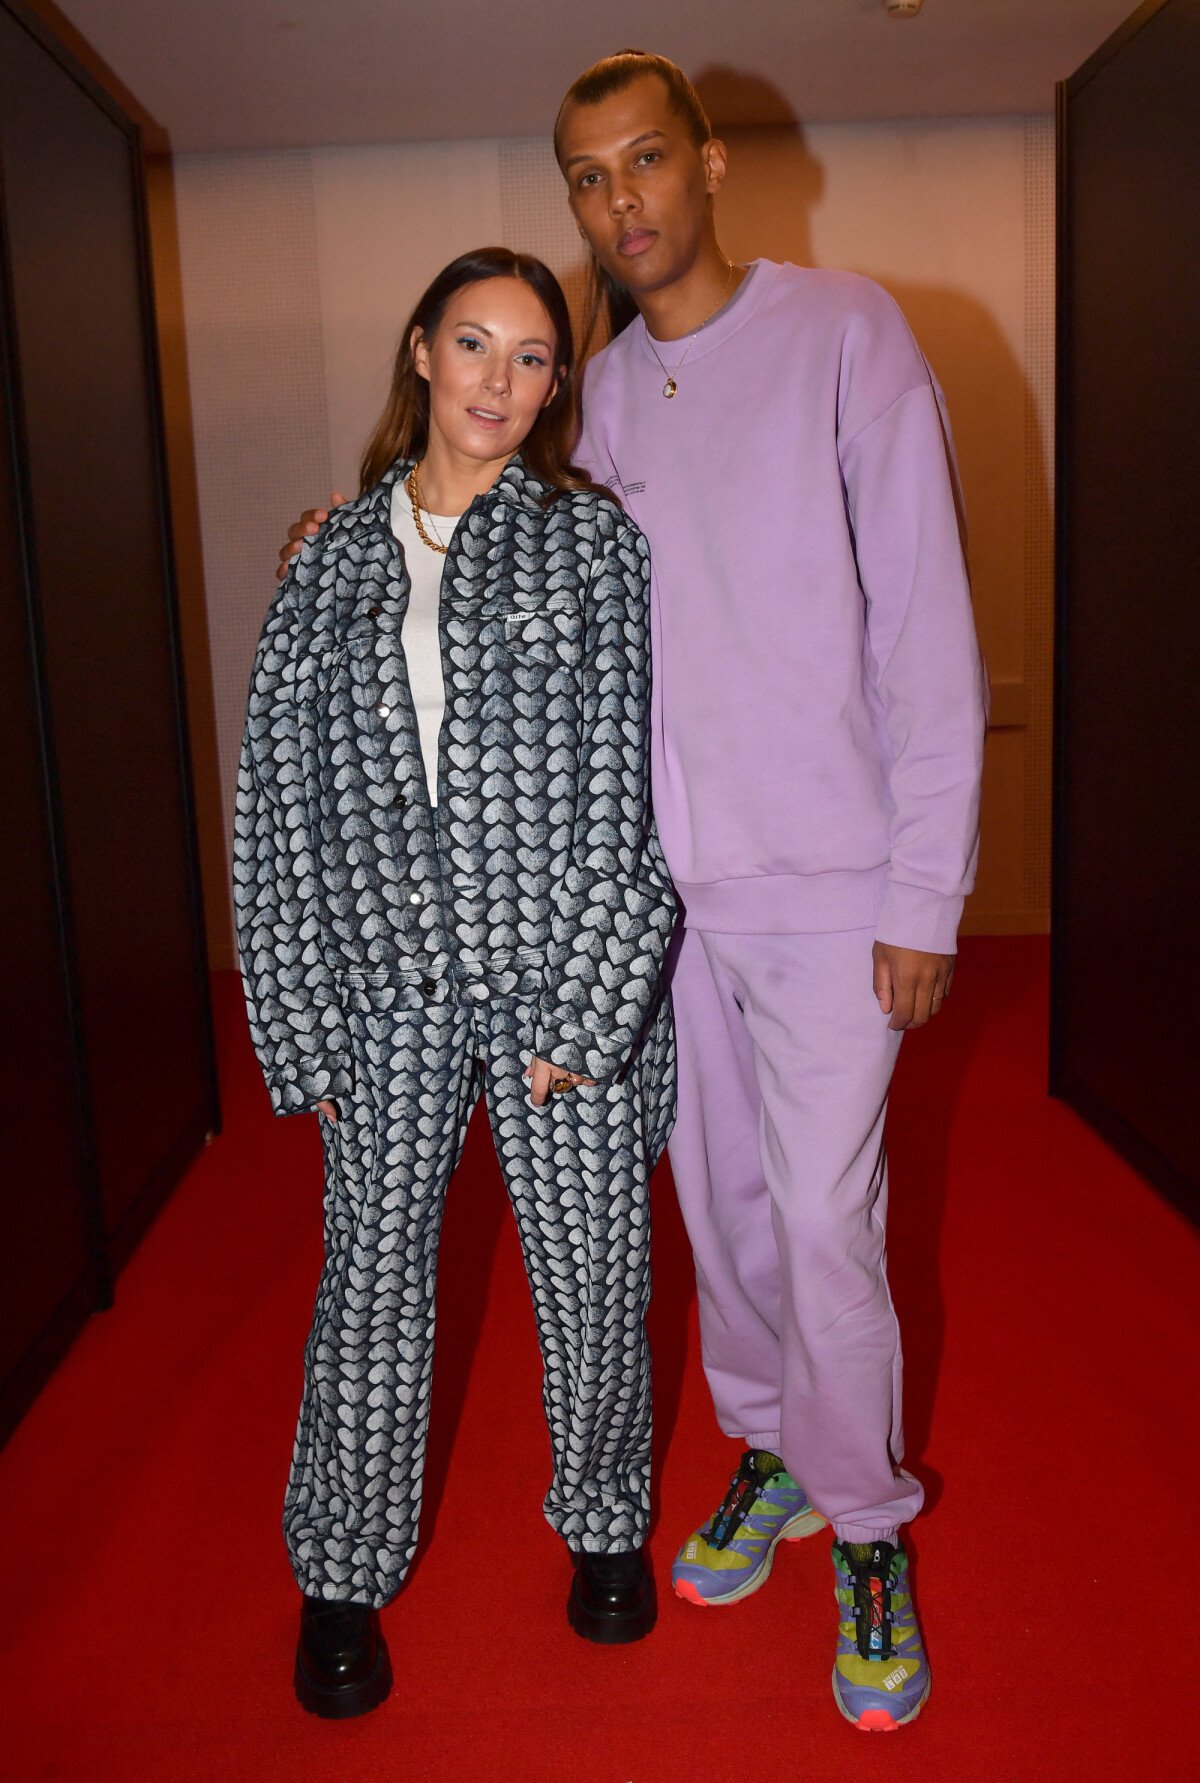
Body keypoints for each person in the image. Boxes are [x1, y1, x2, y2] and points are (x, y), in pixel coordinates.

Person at [279, 51, 987, 1733]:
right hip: (660, 908)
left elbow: (929, 636)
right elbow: (470, 550)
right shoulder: (583, 394)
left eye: (648, 163)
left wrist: (926, 894)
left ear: (713, 164)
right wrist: (346, 539)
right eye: (590, 178)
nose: (623, 204)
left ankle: (868, 1521)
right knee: (724, 1221)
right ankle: (771, 1453)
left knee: (823, 1221)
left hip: (829, 891)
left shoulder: (847, 335)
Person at [238, 247, 677, 1719]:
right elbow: (276, 804)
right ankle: (341, 1572)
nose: (499, 379)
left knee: (594, 1269)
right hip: (387, 990)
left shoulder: (594, 548)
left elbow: (624, 795)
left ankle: (607, 1526)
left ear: (558, 384)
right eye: (475, 344)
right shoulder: (329, 560)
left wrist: (591, 1009)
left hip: (555, 980)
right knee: (369, 1287)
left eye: (533, 356)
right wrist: (301, 1018)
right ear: (420, 350)